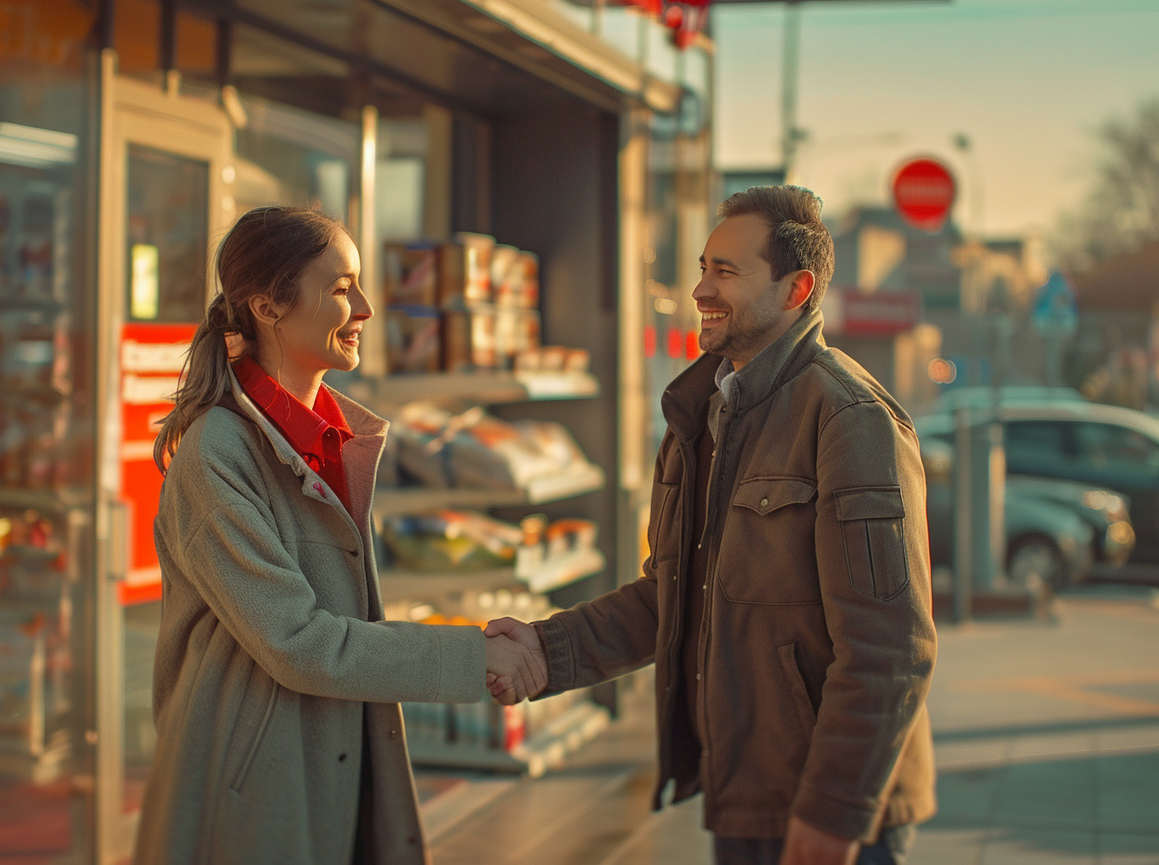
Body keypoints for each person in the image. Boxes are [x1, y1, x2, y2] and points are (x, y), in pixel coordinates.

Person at [487, 185, 937, 865]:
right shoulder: (705, 413)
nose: (700, 289)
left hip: (832, 814)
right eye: (703, 267)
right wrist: (548, 650)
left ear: (796, 289)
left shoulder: (849, 418)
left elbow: (889, 647)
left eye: (725, 271)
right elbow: (673, 593)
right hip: (747, 794)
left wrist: (835, 812)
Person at [132, 205, 544, 865]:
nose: (366, 309)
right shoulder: (218, 454)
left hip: (338, 759)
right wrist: (473, 657)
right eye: (340, 287)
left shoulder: (337, 441)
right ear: (268, 304)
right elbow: (297, 640)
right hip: (254, 792)